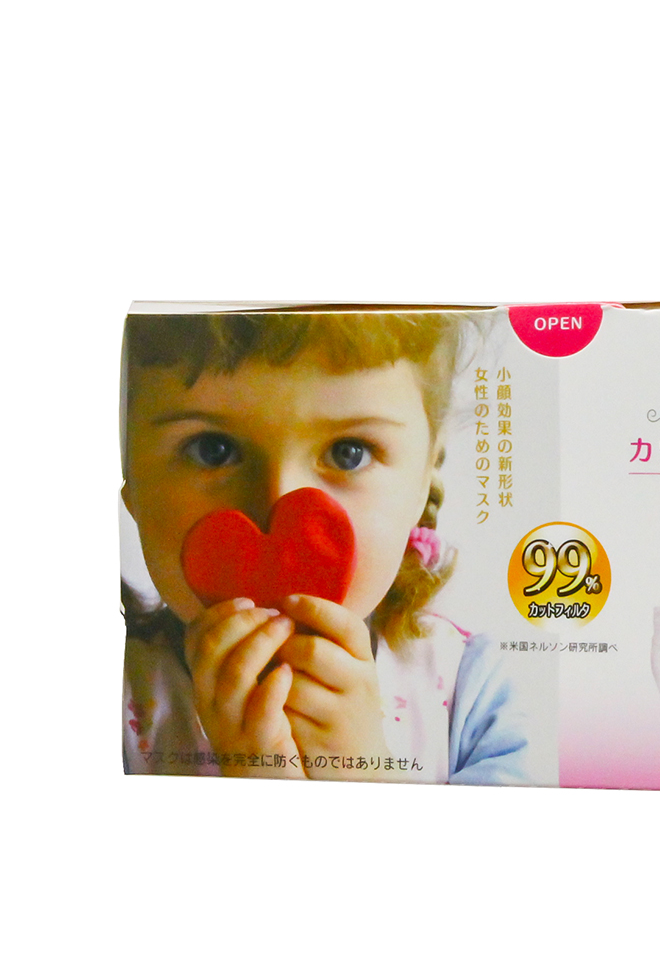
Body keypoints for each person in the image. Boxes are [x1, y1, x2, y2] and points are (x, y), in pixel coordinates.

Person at [120, 307, 527, 783]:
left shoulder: (471, 694)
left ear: (425, 479)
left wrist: (366, 776)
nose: (279, 506)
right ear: (130, 478)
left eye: (347, 452)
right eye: (214, 450)